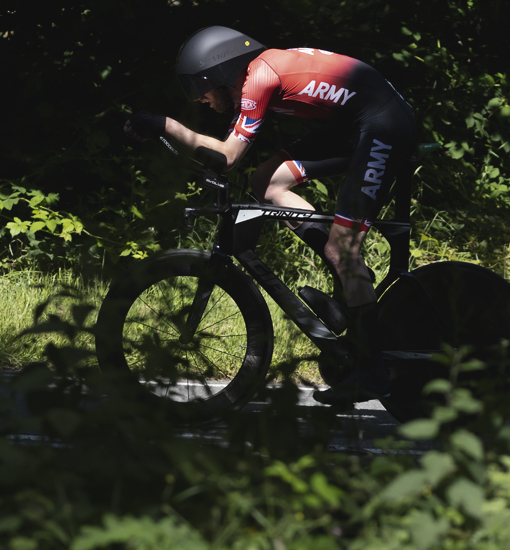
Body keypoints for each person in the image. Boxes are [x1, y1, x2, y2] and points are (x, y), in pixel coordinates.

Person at [125, 26, 417, 404]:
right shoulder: (257, 73)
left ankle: (372, 370)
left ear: (219, 74)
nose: (199, 99)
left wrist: (165, 125)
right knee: (265, 183)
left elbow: (226, 158)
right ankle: (348, 286)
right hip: (356, 123)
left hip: (384, 125)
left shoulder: (260, 77)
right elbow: (231, 159)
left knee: (343, 249)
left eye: (199, 89)